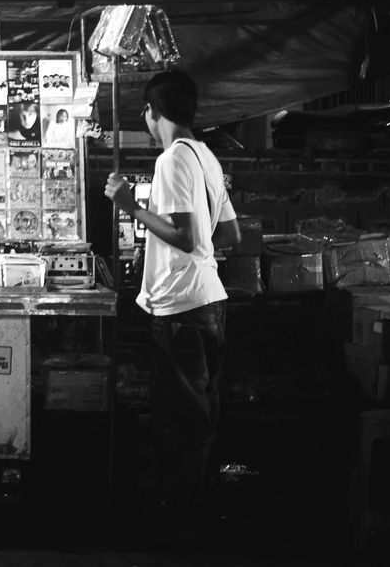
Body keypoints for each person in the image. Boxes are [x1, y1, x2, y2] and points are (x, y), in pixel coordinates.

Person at [104, 70, 240, 534]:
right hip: (207, 302)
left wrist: (131, 206)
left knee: (188, 423)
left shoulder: (172, 162)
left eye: (145, 111)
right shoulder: (207, 157)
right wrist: (197, 252)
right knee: (197, 413)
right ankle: (187, 509)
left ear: (152, 113)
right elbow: (228, 234)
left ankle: (184, 521)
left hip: (183, 308)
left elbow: (184, 235)